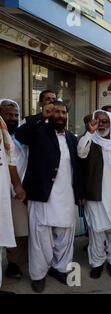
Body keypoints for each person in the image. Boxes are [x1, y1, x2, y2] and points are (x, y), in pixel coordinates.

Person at [15, 101, 84, 293]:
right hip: (41, 194)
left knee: (65, 235)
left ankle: (60, 269)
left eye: (63, 112)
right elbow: (20, 135)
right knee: (40, 237)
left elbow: (76, 168)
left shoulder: (71, 137)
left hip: (67, 196)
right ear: (50, 114)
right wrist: (41, 116)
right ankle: (38, 275)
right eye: (56, 112)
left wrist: (80, 193)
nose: (60, 115)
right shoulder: (38, 131)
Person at [77, 110, 111, 279]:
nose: (102, 124)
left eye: (106, 121)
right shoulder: (89, 140)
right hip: (95, 194)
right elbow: (81, 153)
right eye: (99, 121)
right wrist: (90, 133)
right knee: (96, 231)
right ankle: (97, 263)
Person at [0, 100, 28, 280]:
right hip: (3, 191)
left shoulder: (22, 137)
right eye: (8, 114)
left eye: (16, 115)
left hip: (19, 193)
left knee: (20, 231)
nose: (12, 118)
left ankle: (13, 264)